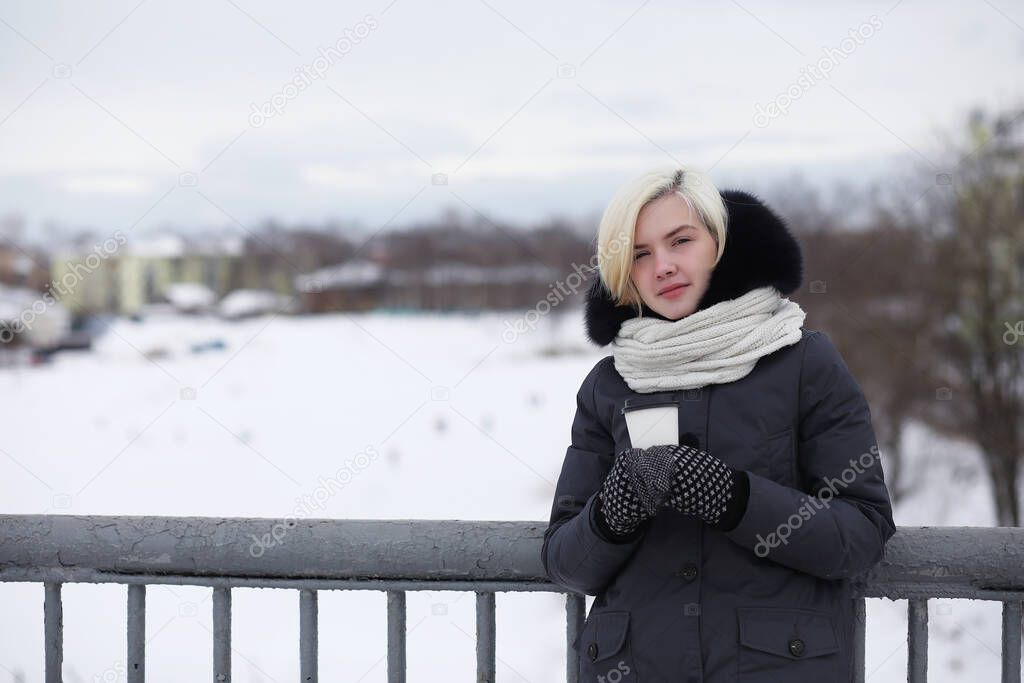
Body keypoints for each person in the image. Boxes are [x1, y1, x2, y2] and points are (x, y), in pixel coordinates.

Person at [540, 166, 896, 682]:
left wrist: (734, 499)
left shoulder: (803, 363)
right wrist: (611, 515)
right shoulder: (609, 385)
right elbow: (565, 562)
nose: (662, 266)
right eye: (639, 253)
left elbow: (861, 535)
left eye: (680, 241)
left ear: (719, 245)